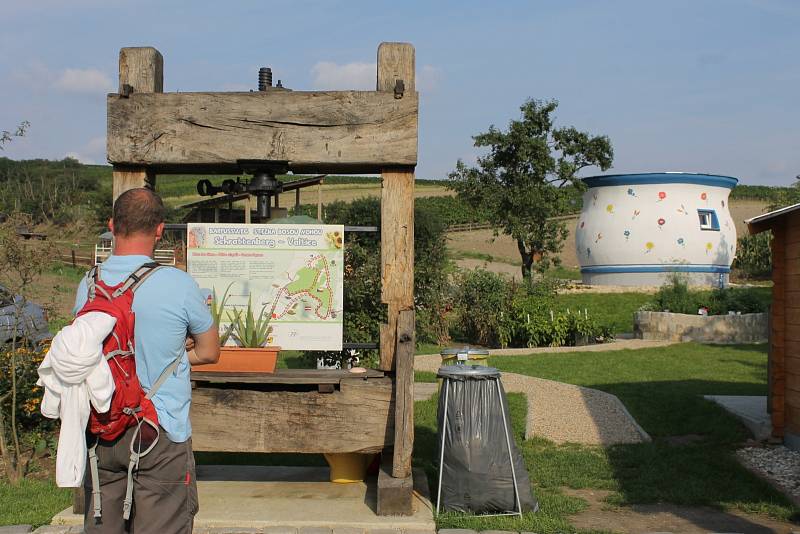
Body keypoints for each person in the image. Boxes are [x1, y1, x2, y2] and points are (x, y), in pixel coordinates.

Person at [73, 188, 220, 534]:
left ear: (112, 226)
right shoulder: (178, 284)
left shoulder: (88, 284)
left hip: (102, 428)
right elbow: (211, 351)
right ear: (159, 230)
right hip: (160, 430)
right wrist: (176, 352)